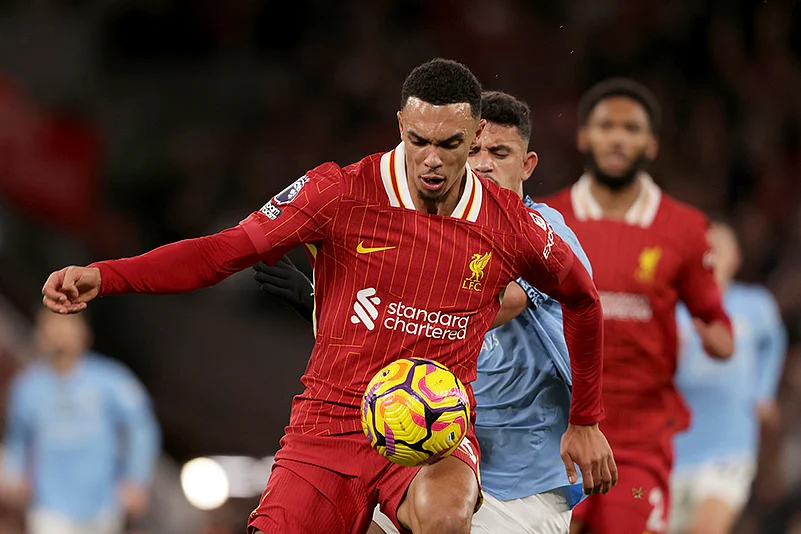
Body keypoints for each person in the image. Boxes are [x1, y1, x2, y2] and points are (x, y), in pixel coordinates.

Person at [41, 58, 616, 534]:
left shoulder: (512, 224)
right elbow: (221, 252)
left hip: (435, 432)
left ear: (474, 136)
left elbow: (584, 301)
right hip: (330, 423)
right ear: (399, 125)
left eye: (450, 144)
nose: (432, 159)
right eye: (418, 141)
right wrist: (106, 275)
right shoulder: (338, 192)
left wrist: (586, 419)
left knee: (445, 516)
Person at [256, 91, 594, 534]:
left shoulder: (544, 232)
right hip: (430, 454)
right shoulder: (428, 231)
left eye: (500, 153)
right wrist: (326, 306)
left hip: (522, 482)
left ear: (527, 165)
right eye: (473, 151)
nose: (484, 164)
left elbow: (486, 307)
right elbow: (391, 342)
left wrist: (340, 299)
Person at [540, 78, 734, 534]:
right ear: (584, 136)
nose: (617, 138)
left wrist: (717, 338)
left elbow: (714, 320)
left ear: (651, 144)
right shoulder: (546, 220)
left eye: (631, 129)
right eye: (606, 126)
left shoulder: (685, 228)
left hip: (639, 441)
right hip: (555, 434)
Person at [669, 221, 787, 534]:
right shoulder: (675, 310)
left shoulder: (755, 305)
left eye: (719, 249)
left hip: (729, 447)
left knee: (707, 528)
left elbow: (774, 341)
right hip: (676, 449)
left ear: (736, 257)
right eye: (705, 250)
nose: (712, 256)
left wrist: (763, 392)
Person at [1, 310, 160, 534]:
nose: (59, 334)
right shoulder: (27, 388)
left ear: (84, 333)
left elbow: (141, 428)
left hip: (103, 505)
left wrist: (136, 479)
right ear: (39, 334)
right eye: (51, 326)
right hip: (49, 506)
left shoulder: (112, 380)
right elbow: (17, 438)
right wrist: (16, 476)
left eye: (67, 325)